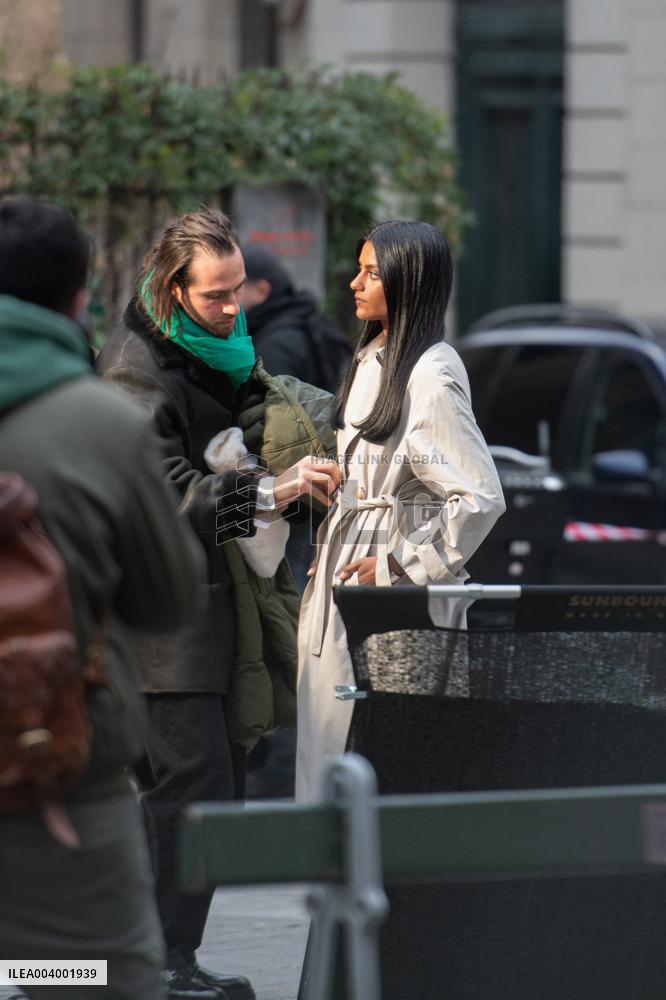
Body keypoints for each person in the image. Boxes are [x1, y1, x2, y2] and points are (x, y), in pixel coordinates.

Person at [96, 208, 340, 1000]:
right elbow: (161, 501)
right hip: (162, 633)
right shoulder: (137, 371)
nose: (236, 309)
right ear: (171, 291)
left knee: (203, 793)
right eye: (216, 296)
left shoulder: (212, 352)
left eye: (239, 291)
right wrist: (271, 490)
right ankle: (151, 966)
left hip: (209, 623)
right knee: (189, 796)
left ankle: (151, 962)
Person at [0, 196, 206, 999]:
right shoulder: (103, 425)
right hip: (59, 781)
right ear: (79, 299)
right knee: (98, 977)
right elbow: (168, 601)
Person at [295, 220, 506, 800]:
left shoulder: (431, 374)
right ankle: (339, 880)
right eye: (357, 269)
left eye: (371, 273)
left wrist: (397, 565)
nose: (354, 285)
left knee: (382, 759)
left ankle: (376, 885)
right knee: (334, 752)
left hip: (389, 599)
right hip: (347, 578)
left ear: (409, 282)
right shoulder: (375, 354)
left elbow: (479, 497)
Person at [240, 243, 351, 393]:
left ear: (261, 291)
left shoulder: (274, 347)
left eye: (237, 287)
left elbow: (276, 412)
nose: (228, 300)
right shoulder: (303, 320)